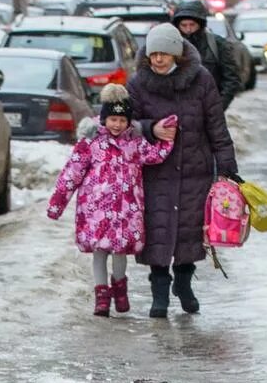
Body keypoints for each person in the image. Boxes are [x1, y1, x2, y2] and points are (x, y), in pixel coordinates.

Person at [129, 24, 238, 318]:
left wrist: (227, 167)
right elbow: (126, 125)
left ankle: (185, 284)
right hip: (155, 173)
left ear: (176, 53)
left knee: (189, 233)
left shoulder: (202, 80)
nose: (159, 60)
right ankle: (160, 294)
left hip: (194, 169)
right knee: (159, 232)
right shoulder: (138, 83)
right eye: (154, 54)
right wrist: (151, 128)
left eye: (164, 53)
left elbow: (216, 125)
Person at [46, 85, 174, 317]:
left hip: (126, 212)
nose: (117, 125)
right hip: (96, 212)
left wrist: (167, 139)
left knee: (119, 254)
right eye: (112, 119)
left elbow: (154, 156)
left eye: (122, 120)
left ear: (128, 122)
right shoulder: (91, 143)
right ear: (104, 119)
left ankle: (120, 287)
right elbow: (72, 173)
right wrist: (57, 203)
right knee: (99, 253)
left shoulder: (134, 143)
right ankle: (102, 297)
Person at [169, 0, 242, 110]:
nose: (188, 29)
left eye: (192, 25)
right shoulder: (171, 45)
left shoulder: (217, 44)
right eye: (184, 25)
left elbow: (232, 78)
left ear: (200, 24)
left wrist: (220, 106)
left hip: (209, 109)